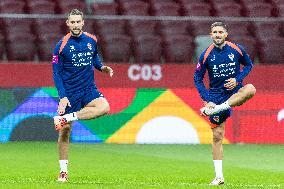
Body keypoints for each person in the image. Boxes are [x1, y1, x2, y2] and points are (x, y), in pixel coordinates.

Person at [52, 9, 113, 182]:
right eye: (73, 22)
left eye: (78, 22)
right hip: (70, 93)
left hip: (88, 89)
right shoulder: (61, 45)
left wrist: (102, 67)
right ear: (68, 23)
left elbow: (94, 57)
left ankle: (66, 117)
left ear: (83, 22)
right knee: (65, 131)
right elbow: (56, 74)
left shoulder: (92, 39)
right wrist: (63, 97)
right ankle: (63, 171)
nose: (76, 25)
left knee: (104, 107)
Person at [194, 22, 256, 185]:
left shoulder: (236, 49)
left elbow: (249, 64)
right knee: (217, 136)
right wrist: (207, 100)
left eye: (220, 31)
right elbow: (197, 78)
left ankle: (220, 109)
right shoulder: (206, 54)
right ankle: (219, 177)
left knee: (251, 89)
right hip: (215, 96)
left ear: (226, 34)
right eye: (214, 32)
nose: (217, 34)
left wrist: (237, 79)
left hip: (235, 91)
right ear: (211, 35)